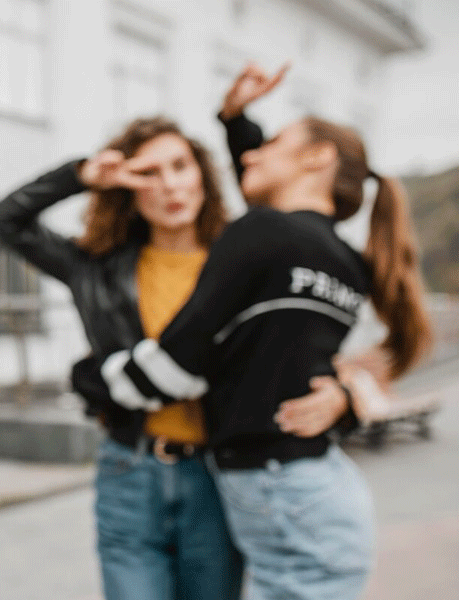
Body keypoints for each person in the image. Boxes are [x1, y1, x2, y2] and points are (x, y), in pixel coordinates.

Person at [90, 62, 433, 600]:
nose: (250, 154)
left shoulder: (263, 233)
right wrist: (235, 120)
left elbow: (179, 360)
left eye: (270, 142)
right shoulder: (349, 262)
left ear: (317, 158)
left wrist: (97, 378)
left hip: (277, 482)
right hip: (317, 484)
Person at [0, 117, 352, 600]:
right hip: (129, 472)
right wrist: (81, 176)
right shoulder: (96, 267)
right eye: (150, 174)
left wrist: (344, 396)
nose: (170, 185)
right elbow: (5, 221)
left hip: (218, 480)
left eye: (180, 166)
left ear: (202, 173)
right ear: (128, 190)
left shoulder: (247, 257)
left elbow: (302, 342)